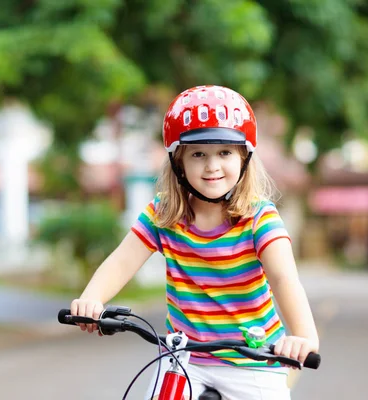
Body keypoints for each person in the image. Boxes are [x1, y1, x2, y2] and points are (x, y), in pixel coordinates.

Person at [70, 85, 319, 399]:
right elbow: (121, 261)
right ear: (178, 162)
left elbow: (284, 279)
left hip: (252, 360)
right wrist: (92, 298)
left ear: (244, 157)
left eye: (224, 152)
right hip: (184, 359)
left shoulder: (259, 218)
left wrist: (304, 336)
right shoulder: (163, 214)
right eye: (198, 153)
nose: (212, 165)